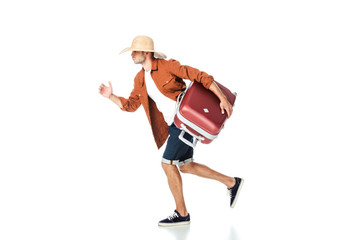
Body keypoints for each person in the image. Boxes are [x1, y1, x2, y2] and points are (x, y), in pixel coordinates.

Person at [99, 36, 243, 226]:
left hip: (185, 122)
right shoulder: (139, 78)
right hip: (173, 126)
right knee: (185, 166)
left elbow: (199, 76)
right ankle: (232, 182)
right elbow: (131, 105)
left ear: (146, 53)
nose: (131, 55)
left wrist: (222, 98)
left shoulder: (167, 66)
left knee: (167, 164)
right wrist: (111, 96)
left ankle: (182, 214)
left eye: (134, 51)